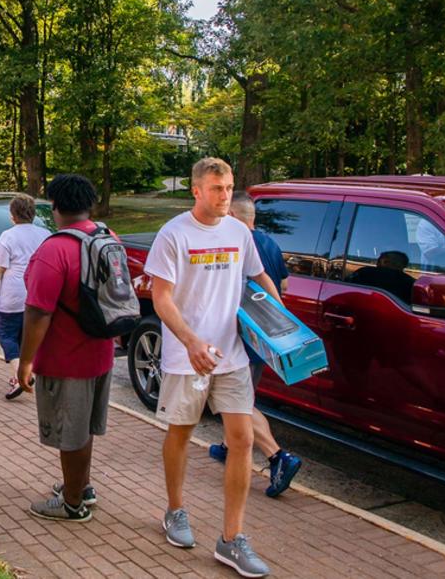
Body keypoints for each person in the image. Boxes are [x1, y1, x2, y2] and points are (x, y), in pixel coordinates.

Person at [144, 157, 279, 578]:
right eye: (217, 189)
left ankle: (231, 539)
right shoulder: (173, 234)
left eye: (229, 188)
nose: (225, 196)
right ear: (196, 191)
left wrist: (283, 324)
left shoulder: (239, 232)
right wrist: (190, 341)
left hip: (232, 356)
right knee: (181, 434)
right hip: (187, 357)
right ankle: (175, 510)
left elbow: (258, 279)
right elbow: (160, 297)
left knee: (240, 439)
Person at [16, 174, 113, 523]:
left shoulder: (55, 249)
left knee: (69, 434)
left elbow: (38, 311)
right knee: (83, 428)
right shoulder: (105, 237)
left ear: (54, 207)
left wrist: (25, 361)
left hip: (65, 358)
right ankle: (81, 486)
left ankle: (72, 504)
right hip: (101, 353)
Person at [208, 191, 303, 498]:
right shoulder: (270, 244)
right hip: (263, 337)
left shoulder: (234, 244)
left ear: (234, 217)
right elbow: (284, 285)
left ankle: (278, 456)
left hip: (237, 336)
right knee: (243, 395)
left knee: (238, 403)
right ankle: (226, 447)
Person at [0, 193, 50, 400]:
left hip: (12, 295)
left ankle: (20, 374)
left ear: (13, 215)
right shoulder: (45, 234)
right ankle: (21, 375)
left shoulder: (8, 236)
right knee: (27, 338)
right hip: (37, 293)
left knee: (6, 335)